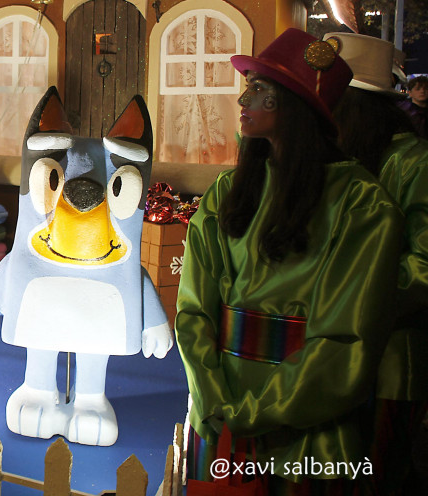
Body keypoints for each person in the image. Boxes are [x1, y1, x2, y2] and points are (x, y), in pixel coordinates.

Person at [176, 29, 404, 492]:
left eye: (260, 89)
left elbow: (345, 339)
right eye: (248, 86)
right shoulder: (227, 192)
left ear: (296, 106)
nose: (243, 99)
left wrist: (254, 413)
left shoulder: (361, 204)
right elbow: (194, 309)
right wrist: (215, 400)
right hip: (219, 413)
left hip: (306, 423)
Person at [327, 32, 428, 495]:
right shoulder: (349, 158)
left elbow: (422, 266)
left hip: (392, 364)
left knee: (381, 475)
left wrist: (349, 296)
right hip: (336, 358)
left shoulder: (413, 163)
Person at [399, 73, 428, 137]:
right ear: (410, 93)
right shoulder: (405, 112)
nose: (422, 91)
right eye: (418, 89)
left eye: (426, 88)